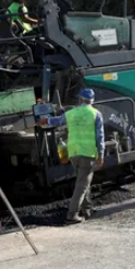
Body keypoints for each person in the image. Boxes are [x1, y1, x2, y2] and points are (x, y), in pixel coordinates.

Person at [38, 89, 105, 225]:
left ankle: (87, 210)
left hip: (74, 153)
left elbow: (57, 121)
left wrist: (46, 120)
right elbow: (100, 136)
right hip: (88, 153)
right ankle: (72, 214)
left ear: (80, 100)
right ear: (92, 101)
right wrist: (101, 154)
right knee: (82, 184)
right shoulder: (95, 114)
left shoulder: (71, 113)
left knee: (82, 182)